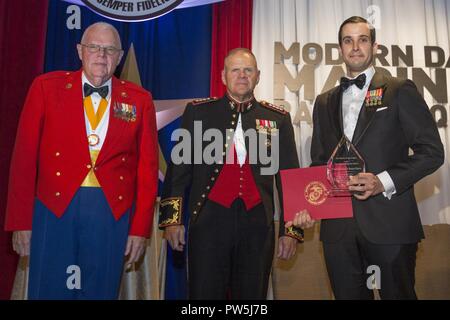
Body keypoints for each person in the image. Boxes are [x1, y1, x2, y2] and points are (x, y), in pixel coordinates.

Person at [288, 16, 444, 300]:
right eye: (348, 40)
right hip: (338, 231)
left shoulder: (399, 90)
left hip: (390, 224)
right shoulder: (324, 101)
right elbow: (320, 164)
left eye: (362, 40)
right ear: (340, 48)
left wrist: (382, 181)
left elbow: (432, 152)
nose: (355, 47)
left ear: (375, 47)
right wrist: (307, 207)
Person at [5, 22, 158, 299]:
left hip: (110, 210)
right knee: (49, 289)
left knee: (100, 291)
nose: (102, 55)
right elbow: (24, 159)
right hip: (54, 206)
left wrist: (140, 229)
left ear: (120, 56)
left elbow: (147, 169)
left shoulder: (140, 100)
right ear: (80, 51)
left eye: (110, 49)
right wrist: (21, 222)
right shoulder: (45, 88)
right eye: (94, 48)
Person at [159, 48, 303, 299]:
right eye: (235, 70)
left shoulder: (277, 118)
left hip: (258, 226)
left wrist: (291, 231)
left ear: (258, 76)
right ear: (224, 76)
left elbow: (289, 178)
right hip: (208, 224)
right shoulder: (198, 112)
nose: (242, 75)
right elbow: (178, 172)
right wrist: (173, 221)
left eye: (248, 70)